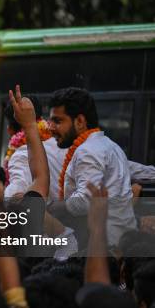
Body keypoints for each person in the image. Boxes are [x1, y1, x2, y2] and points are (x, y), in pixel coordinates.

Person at [48, 87, 136, 245]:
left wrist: (56, 208)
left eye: (58, 121)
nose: (50, 127)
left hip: (103, 246)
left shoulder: (87, 151)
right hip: (117, 241)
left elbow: (86, 200)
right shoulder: (110, 145)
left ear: (80, 121)